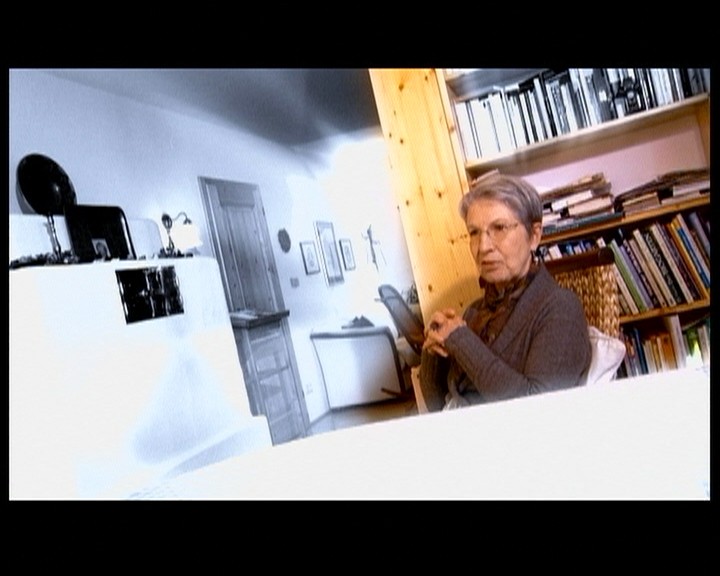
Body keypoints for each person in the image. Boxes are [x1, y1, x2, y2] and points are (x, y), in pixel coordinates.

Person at [418, 172, 591, 411]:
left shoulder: (560, 309)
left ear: (534, 236)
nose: (483, 247)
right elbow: (439, 405)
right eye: (474, 232)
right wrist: (433, 351)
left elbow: (539, 411)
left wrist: (461, 340)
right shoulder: (474, 312)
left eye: (499, 228)